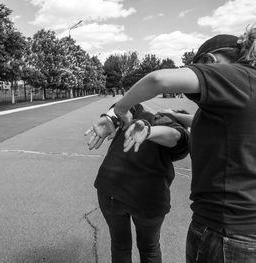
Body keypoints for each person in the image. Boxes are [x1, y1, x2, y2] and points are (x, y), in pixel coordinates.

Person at [112, 25, 256, 262]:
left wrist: (121, 108)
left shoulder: (238, 76)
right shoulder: (246, 89)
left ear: (209, 61)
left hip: (225, 232)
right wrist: (178, 116)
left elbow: (159, 79)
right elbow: (224, 125)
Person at [85, 104, 190, 263]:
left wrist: (149, 130)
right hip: (146, 198)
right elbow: (123, 106)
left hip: (112, 189)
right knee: (149, 248)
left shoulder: (157, 122)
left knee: (121, 245)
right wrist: (110, 117)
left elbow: (176, 135)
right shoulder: (139, 112)